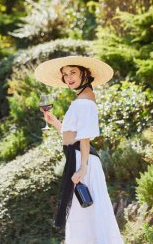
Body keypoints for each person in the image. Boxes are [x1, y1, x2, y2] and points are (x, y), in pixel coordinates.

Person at [34, 56, 124, 244]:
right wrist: (55, 122)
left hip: (82, 161)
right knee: (86, 215)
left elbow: (84, 137)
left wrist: (82, 167)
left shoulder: (83, 102)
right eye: (65, 74)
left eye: (73, 72)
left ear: (85, 73)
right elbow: (72, 135)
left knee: (85, 215)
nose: (68, 77)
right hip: (79, 158)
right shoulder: (84, 99)